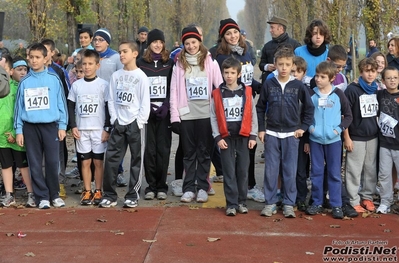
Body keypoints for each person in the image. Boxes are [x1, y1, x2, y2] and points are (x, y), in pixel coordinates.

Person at [256, 47, 314, 218]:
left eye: (287, 64)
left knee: (290, 170)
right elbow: (260, 108)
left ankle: (289, 203)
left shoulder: (298, 86)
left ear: (292, 66)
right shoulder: (269, 83)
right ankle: (270, 202)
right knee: (271, 170)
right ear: (275, 64)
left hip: (291, 135)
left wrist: (302, 128)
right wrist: (261, 129)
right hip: (272, 133)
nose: (283, 67)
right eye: (280, 64)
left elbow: (309, 108)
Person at [169, 26, 223, 203]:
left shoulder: (210, 62)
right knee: (189, 154)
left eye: (193, 42)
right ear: (183, 45)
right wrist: (175, 117)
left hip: (206, 114)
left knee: (204, 153)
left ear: (199, 42)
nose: (191, 46)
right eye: (187, 43)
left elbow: (219, 88)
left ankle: (203, 187)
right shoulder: (179, 64)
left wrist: (219, 115)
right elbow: (174, 92)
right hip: (187, 115)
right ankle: (188, 188)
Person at [214, 18, 263, 203]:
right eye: (228, 34)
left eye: (234, 32)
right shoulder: (221, 57)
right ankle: (235, 193)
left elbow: (247, 78)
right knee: (232, 155)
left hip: (248, 102)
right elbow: (227, 81)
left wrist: (259, 85)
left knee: (249, 149)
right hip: (231, 104)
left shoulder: (247, 52)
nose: (233, 36)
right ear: (223, 37)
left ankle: (249, 186)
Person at [14, 43, 68, 209]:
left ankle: (54, 194)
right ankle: (41, 196)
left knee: (52, 162)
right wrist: (19, 130)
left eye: (38, 57)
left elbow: (61, 104)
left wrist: (62, 126)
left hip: (50, 126)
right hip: (30, 127)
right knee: (35, 163)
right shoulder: (25, 82)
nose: (34, 61)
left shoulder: (54, 79)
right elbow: (19, 108)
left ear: (46, 58)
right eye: (31, 57)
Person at [99, 41, 150, 208]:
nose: (121, 55)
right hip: (119, 123)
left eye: (125, 51)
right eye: (120, 52)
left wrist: (139, 122)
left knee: (137, 159)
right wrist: (114, 119)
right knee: (112, 159)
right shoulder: (116, 76)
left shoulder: (141, 76)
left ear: (135, 54)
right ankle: (109, 195)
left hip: (135, 124)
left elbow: (145, 102)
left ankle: (132, 195)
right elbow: (111, 99)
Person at [210, 57, 258, 216]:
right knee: (229, 172)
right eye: (226, 72)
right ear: (222, 73)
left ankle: (242, 201)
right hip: (226, 138)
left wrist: (253, 135)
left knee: (243, 171)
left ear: (239, 74)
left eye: (232, 72)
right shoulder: (217, 94)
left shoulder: (247, 92)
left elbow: (253, 115)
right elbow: (213, 116)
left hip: (244, 137)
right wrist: (217, 137)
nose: (229, 75)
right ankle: (231, 203)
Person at [306, 61, 353, 219]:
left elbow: (348, 116)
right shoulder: (311, 94)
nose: (318, 79)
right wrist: (312, 129)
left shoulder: (338, 94)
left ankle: (336, 204)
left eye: (322, 77)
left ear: (332, 78)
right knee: (316, 172)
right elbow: (305, 116)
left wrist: (337, 130)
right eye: (317, 76)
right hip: (316, 140)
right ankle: (317, 202)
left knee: (334, 173)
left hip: (334, 141)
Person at [67, 49, 110, 206]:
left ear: (97, 65)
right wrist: (73, 126)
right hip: (82, 130)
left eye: (90, 64)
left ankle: (98, 189)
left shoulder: (104, 85)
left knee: (98, 162)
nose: (87, 67)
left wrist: (107, 128)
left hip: (98, 130)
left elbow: (108, 108)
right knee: (85, 162)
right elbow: (70, 106)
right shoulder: (76, 85)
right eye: (84, 64)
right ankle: (87, 190)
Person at [137, 29, 174, 200]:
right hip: (147, 113)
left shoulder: (170, 63)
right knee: (149, 150)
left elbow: (173, 86)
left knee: (163, 149)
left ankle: (162, 186)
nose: (157, 45)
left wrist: (166, 104)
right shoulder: (141, 63)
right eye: (154, 42)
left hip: (164, 113)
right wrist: (148, 106)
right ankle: (150, 186)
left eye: (160, 42)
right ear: (149, 44)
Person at [344, 58, 379, 213]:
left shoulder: (377, 89)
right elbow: (344, 115)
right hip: (356, 137)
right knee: (354, 170)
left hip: (373, 136)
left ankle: (367, 197)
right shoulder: (352, 90)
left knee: (370, 170)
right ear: (360, 71)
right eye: (367, 71)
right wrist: (347, 137)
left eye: (373, 71)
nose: (370, 74)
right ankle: (353, 199)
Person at [92, 28, 126, 186]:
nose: (97, 42)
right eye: (95, 40)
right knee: (96, 138)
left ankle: (117, 171)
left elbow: (122, 78)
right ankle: (93, 174)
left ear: (107, 42)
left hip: (111, 103)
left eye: (100, 40)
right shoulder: (91, 56)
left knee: (114, 140)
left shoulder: (115, 57)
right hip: (93, 103)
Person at [0, 55, 34, 207]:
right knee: (6, 165)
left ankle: (31, 193)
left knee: (23, 165)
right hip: (2, 135)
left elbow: (22, 113)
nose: (22, 72)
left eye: (25, 69)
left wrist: (15, 132)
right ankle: (9, 194)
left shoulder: (25, 88)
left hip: (18, 135)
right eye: (19, 69)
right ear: (11, 71)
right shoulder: (4, 88)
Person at [41, 39, 71, 199]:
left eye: (46, 51)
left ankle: (59, 182)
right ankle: (43, 183)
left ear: (52, 53)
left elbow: (67, 96)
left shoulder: (59, 71)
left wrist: (65, 122)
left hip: (56, 120)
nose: (43, 54)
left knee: (58, 152)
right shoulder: (34, 72)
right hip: (39, 121)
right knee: (41, 154)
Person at [376, 67, 399, 214]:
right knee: (384, 174)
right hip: (384, 143)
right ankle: (385, 201)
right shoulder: (379, 95)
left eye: (395, 77)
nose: (392, 80)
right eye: (389, 78)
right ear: (383, 81)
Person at [259, 16, 301, 83]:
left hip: (289, 83)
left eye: (272, 27)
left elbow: (299, 64)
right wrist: (266, 67)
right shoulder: (267, 46)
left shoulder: (295, 45)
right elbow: (261, 64)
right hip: (270, 83)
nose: (270, 30)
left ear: (281, 29)